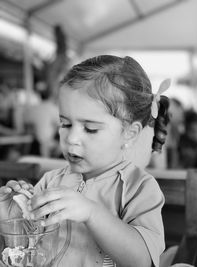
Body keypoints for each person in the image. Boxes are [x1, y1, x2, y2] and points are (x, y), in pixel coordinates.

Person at [0, 55, 170, 267]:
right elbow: (30, 248)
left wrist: (91, 213)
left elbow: (142, 260)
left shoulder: (139, 188)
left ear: (129, 133)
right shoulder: (50, 181)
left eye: (90, 129)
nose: (71, 138)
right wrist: (12, 215)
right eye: (65, 124)